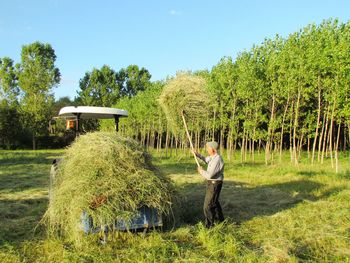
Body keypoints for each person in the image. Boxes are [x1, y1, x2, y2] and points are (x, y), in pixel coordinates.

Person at [192, 141, 224, 228]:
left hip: (214, 183)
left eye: (208, 148)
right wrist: (197, 154)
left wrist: (201, 171)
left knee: (208, 206)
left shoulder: (217, 160)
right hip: (212, 183)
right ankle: (220, 220)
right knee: (215, 202)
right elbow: (206, 160)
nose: (206, 149)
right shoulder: (212, 157)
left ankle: (209, 226)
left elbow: (209, 175)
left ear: (212, 149)